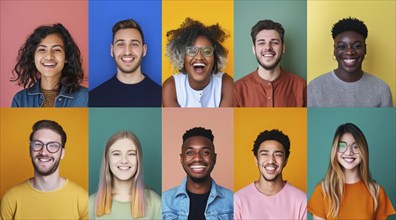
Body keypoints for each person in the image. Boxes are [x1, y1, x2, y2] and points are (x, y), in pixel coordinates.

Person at [0, 120, 88, 219]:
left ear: (62, 153)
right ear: (30, 151)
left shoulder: (83, 200)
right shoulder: (10, 199)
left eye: (53, 145)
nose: (44, 152)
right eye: (37, 144)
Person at [308, 123, 395, 219]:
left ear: (363, 150)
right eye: (342, 146)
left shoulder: (377, 192)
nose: (349, 152)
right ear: (335, 151)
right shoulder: (323, 190)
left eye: (356, 146)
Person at [307, 17, 393, 107]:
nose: (349, 52)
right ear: (334, 50)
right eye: (342, 46)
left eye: (357, 46)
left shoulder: (382, 89)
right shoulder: (315, 87)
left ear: (365, 49)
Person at [162, 127, 233, 219]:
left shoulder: (232, 200)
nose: (197, 158)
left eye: (205, 152)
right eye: (190, 152)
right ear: (182, 159)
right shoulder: (165, 202)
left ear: (214, 158)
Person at [234, 129, 306, 219]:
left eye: (278, 154)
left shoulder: (302, 201)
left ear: (285, 161)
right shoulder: (238, 200)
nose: (271, 160)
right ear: (256, 160)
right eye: (264, 154)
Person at [11, 23, 88, 107]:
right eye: (42, 49)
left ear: (66, 57)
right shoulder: (20, 100)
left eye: (57, 50)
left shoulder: (85, 97)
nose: (49, 56)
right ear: (33, 57)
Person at [89, 131, 161, 219]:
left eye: (131, 154)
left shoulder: (157, 204)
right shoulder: (90, 204)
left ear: (138, 159)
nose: (124, 160)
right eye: (116, 154)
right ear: (107, 159)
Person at [162, 18, 234, 107]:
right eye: (192, 51)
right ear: (182, 56)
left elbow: (224, 120)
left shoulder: (227, 84)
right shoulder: (171, 87)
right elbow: (174, 121)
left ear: (215, 56)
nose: (199, 57)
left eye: (207, 51)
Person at [89, 19, 161, 107]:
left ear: (144, 50)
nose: (127, 52)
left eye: (134, 44)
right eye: (120, 44)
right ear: (112, 50)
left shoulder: (161, 96)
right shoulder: (94, 98)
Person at [234, 19, 306, 107]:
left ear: (283, 48)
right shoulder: (237, 89)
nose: (268, 47)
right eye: (261, 43)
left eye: (275, 42)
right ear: (254, 49)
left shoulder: (301, 87)